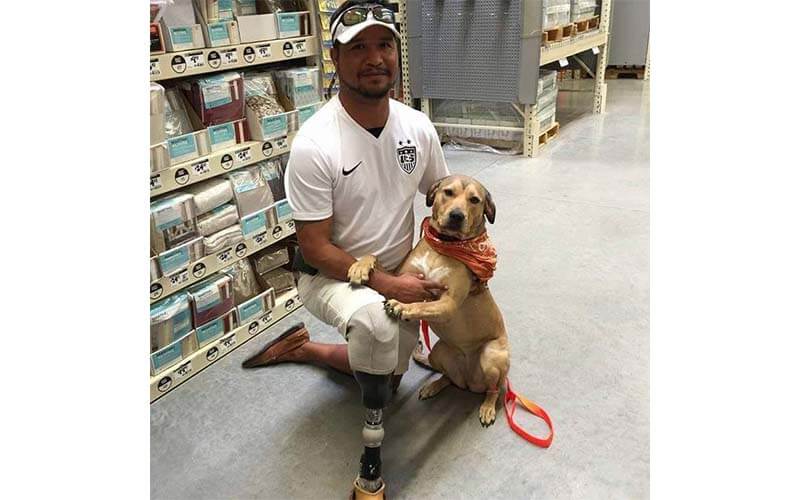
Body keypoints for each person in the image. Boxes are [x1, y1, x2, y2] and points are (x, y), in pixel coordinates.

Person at [241, 0, 451, 496]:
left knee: (389, 374)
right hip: (331, 276)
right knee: (378, 325)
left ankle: (304, 348)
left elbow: (441, 197)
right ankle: (370, 469)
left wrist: (465, 260)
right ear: (334, 59)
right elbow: (315, 248)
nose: (374, 58)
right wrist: (391, 285)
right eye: (357, 48)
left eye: (384, 45)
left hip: (397, 268)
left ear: (397, 54)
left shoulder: (416, 127)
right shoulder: (315, 144)